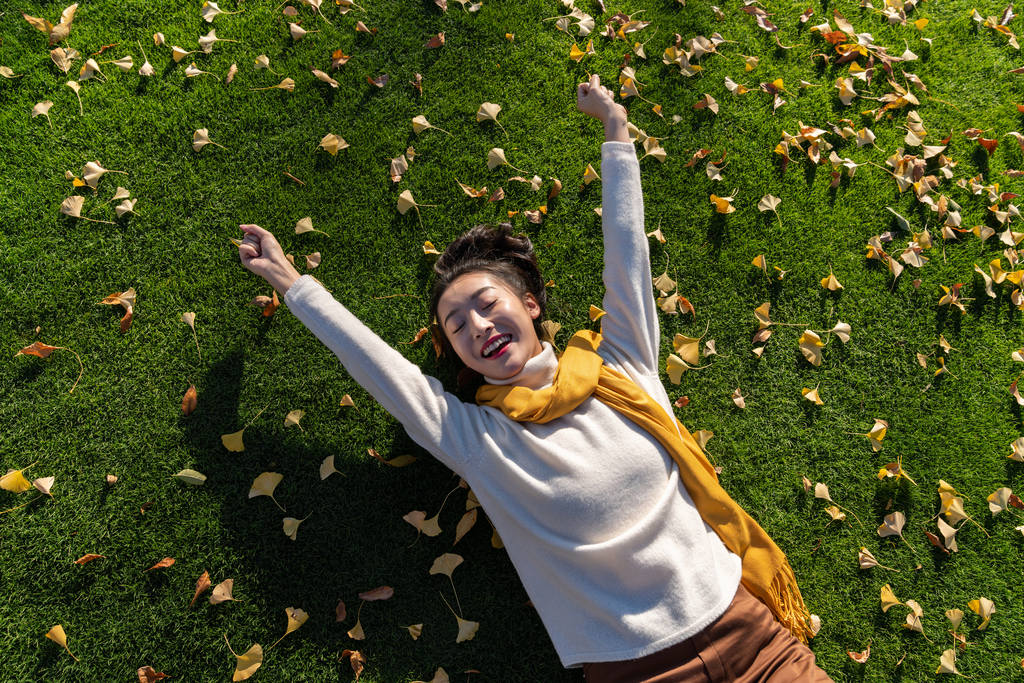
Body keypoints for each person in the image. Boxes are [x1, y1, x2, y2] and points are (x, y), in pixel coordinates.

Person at [237, 75, 834, 683]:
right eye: (457, 324)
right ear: (461, 357)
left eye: (488, 303)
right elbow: (382, 370)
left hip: (755, 634)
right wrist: (292, 283)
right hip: (639, 672)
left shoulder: (622, 366)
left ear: (530, 305)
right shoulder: (476, 440)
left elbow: (628, 258)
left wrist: (616, 131)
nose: (477, 325)